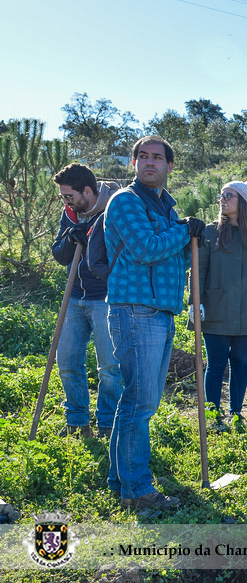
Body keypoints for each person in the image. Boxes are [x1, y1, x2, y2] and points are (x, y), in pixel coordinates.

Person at [104, 135, 206, 510]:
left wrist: (191, 239)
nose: (150, 162)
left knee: (137, 400)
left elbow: (176, 259)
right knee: (141, 402)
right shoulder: (125, 201)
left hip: (160, 311)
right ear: (134, 163)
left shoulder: (166, 208)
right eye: (143, 157)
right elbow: (146, 249)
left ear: (169, 166)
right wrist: (184, 231)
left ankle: (121, 480)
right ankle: (137, 490)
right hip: (135, 309)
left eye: (157, 158)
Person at [194, 180, 247, 429]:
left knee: (241, 363)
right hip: (216, 307)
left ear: (243, 201)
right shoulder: (210, 232)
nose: (222, 200)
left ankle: (236, 413)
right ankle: (213, 416)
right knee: (216, 364)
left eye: (228, 195)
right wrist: (195, 302)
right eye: (221, 195)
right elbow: (199, 269)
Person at [51, 163, 122, 438]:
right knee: (68, 361)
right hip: (74, 298)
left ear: (88, 191)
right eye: (63, 197)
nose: (65, 201)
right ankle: (77, 421)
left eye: (69, 196)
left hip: (105, 298)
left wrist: (93, 238)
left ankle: (107, 424)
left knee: (110, 368)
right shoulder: (71, 213)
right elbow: (60, 256)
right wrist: (71, 237)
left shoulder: (114, 209)